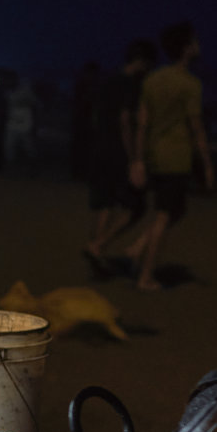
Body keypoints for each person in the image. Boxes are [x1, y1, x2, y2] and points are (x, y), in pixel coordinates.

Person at [129, 20, 213, 291]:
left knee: (174, 210)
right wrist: (207, 164)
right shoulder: (190, 84)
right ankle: (146, 276)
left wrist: (138, 160)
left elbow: (142, 123)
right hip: (176, 157)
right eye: (195, 41)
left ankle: (137, 248)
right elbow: (196, 128)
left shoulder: (152, 79)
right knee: (165, 215)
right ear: (186, 48)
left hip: (154, 155)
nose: (198, 46)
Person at [82, 39, 156, 271]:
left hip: (100, 147)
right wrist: (133, 158)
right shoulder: (130, 84)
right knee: (136, 207)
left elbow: (95, 116)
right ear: (141, 61)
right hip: (117, 151)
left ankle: (96, 249)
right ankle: (98, 244)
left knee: (105, 202)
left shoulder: (107, 81)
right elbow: (125, 120)